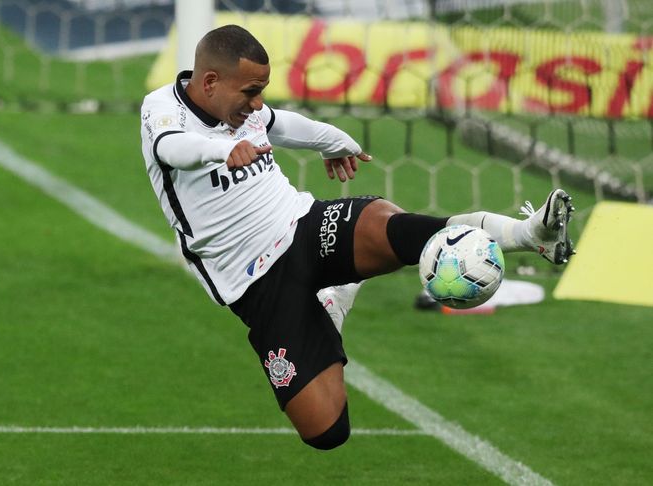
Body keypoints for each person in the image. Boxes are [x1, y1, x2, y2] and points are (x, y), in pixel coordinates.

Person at [140, 24, 575, 450]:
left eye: (261, 91)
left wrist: (333, 141)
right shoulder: (162, 111)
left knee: (384, 220)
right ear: (210, 82)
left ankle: (529, 233)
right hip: (254, 280)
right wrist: (223, 150)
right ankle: (333, 302)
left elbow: (281, 123)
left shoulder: (246, 108)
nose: (258, 104)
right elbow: (174, 149)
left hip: (300, 223)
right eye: (251, 92)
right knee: (327, 431)